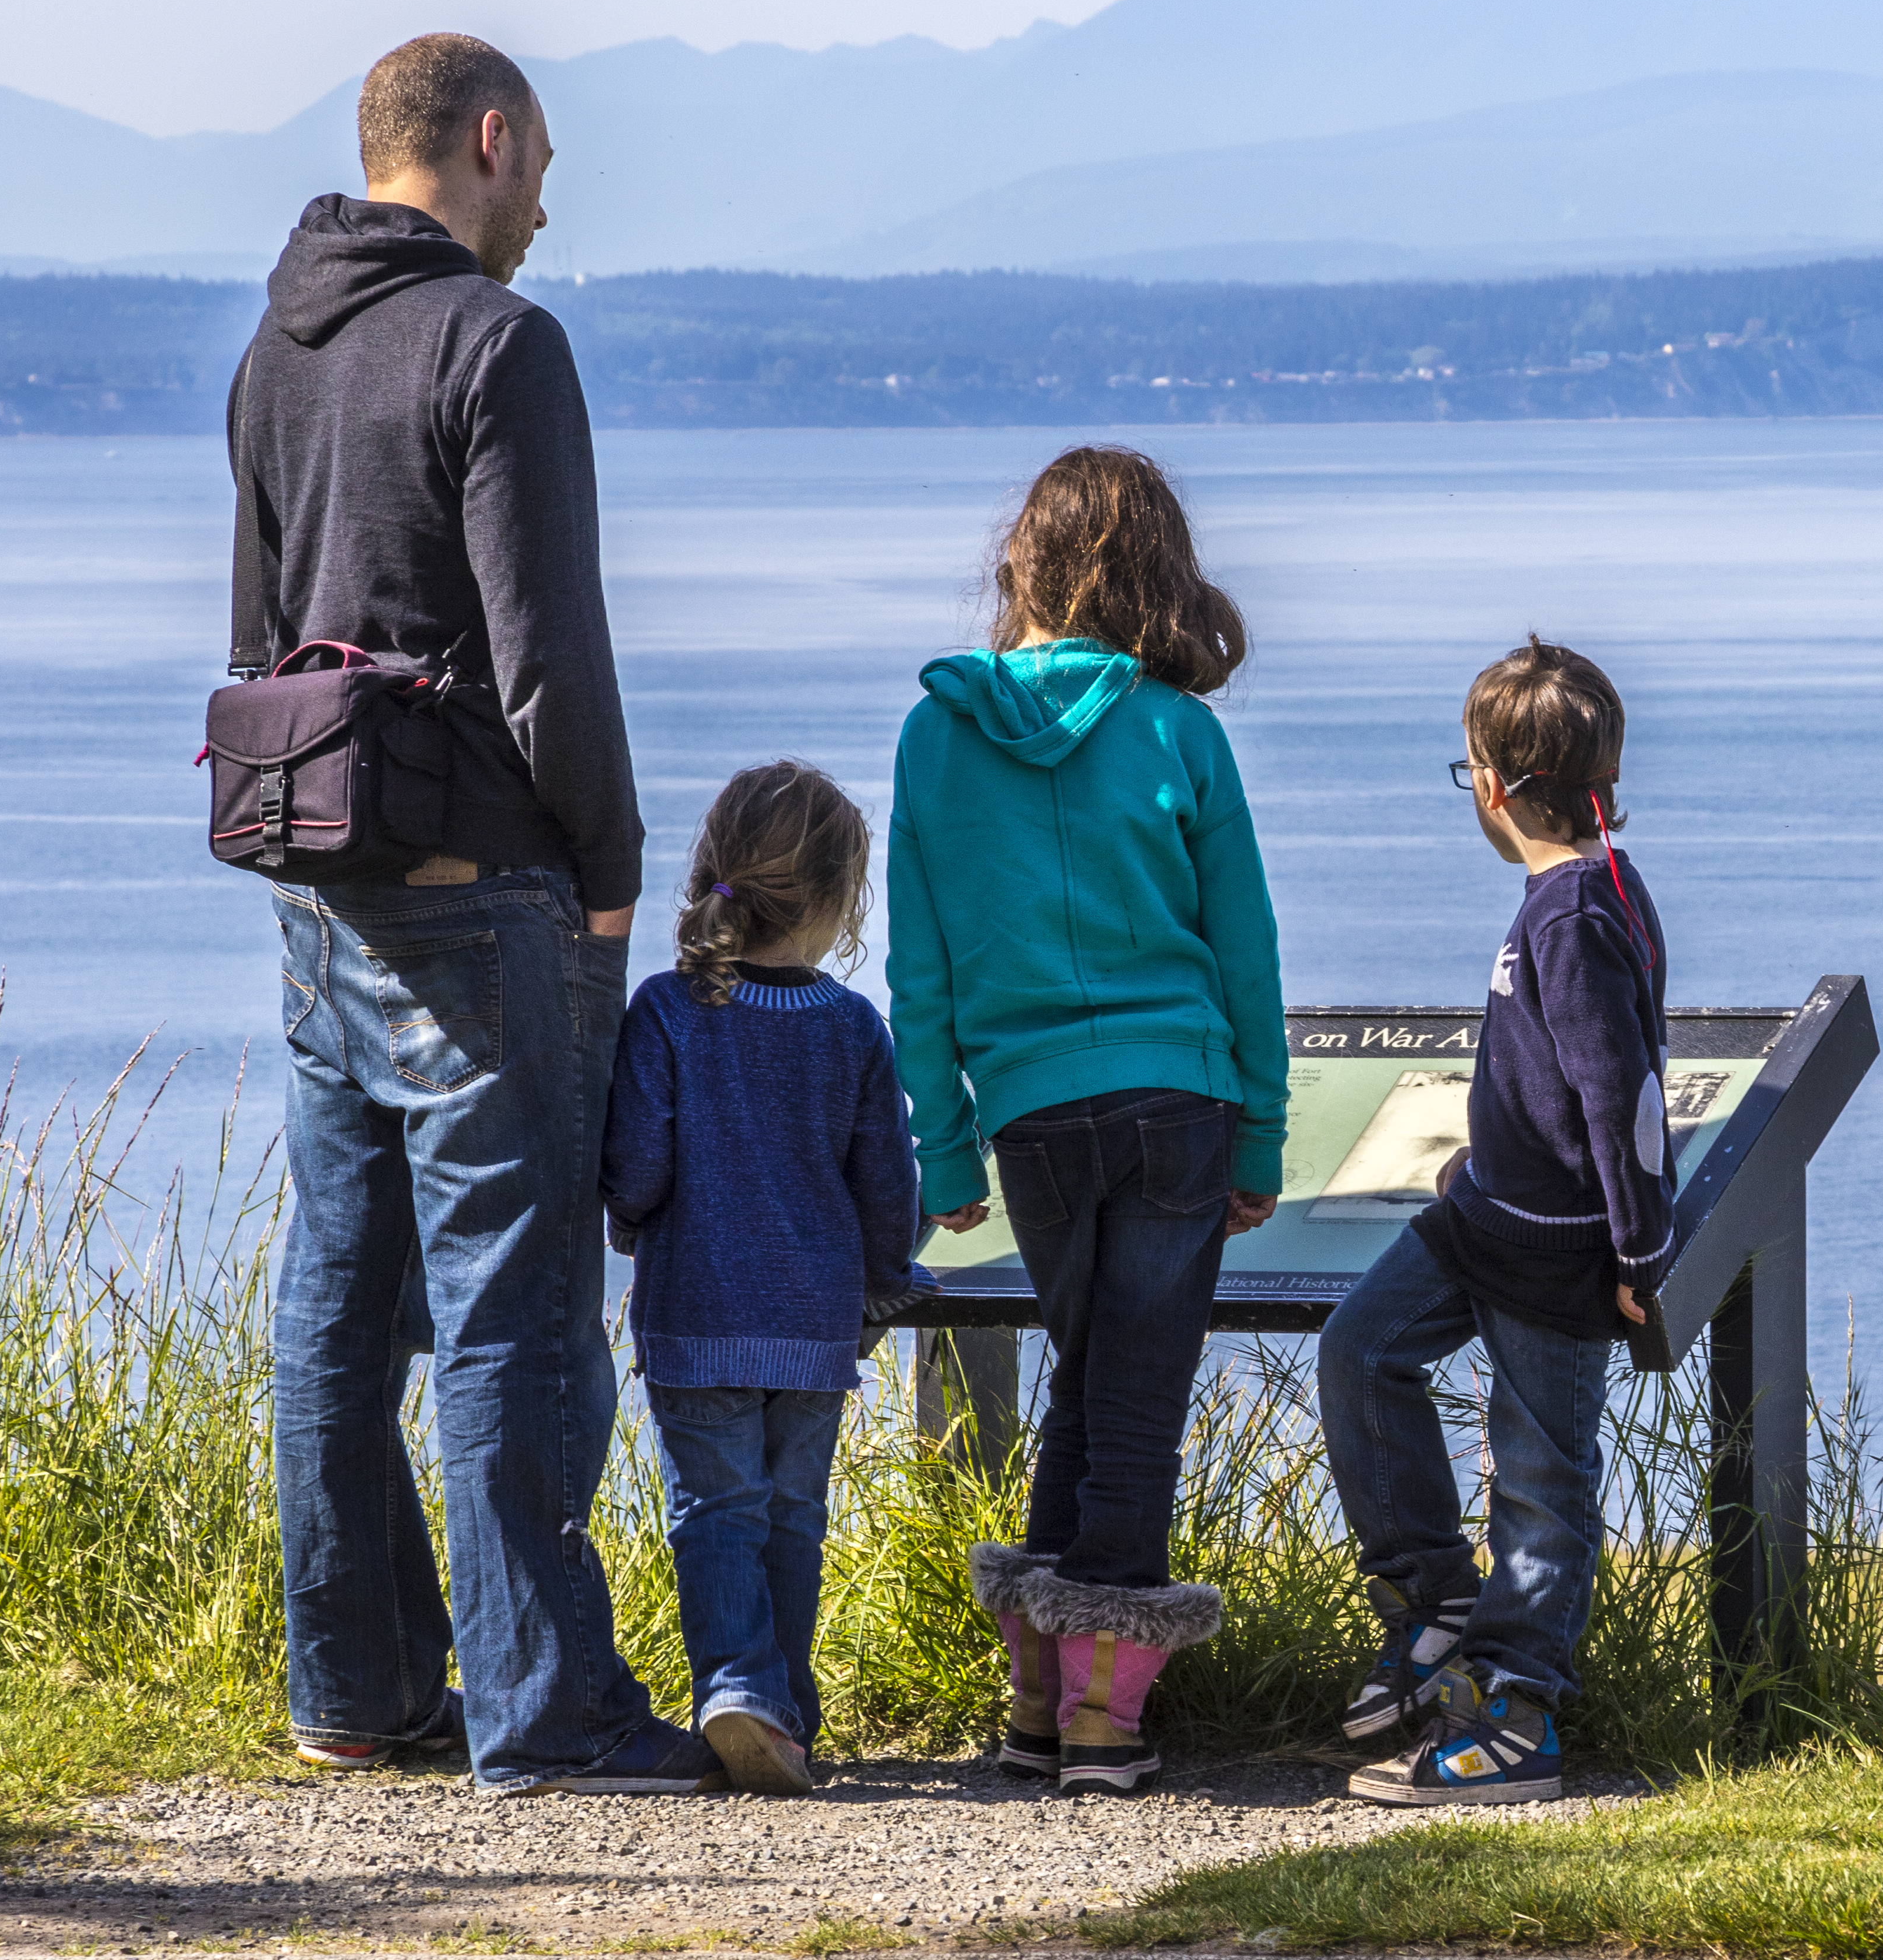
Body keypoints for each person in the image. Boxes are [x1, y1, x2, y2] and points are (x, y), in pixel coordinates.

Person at [235, 33, 719, 1792]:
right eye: (544, 164)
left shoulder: (274, 348)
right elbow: (550, 659)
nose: (546, 202)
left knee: (340, 1301)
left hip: (321, 885)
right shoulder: (501, 343)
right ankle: (549, 1710)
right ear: (492, 142)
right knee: (514, 1308)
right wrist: (607, 879)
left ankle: (355, 1689)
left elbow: (256, 640)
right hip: (487, 892)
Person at [887, 445, 1287, 1795]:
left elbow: (921, 970)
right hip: (1181, 1099)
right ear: (1153, 575)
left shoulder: (934, 735)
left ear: (1027, 567)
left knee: (1090, 1381)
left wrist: (943, 1146)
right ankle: (1105, 1721)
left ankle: (1038, 1696)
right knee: (1136, 1400)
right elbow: (1247, 954)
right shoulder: (1181, 730)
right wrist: (1265, 1135)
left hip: (1033, 1118)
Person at [1320, 637, 1678, 1807]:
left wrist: (1638, 1250)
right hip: (1484, 1217)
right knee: (1361, 1352)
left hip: (1560, 1255)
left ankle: (1519, 1717)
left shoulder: (1574, 913)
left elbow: (1618, 1094)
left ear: (1489, 787)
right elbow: (1547, 1082)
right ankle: (1438, 1601)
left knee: (1539, 1481)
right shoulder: (1582, 892)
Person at [601, 760, 938, 1796]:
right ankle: (786, 1708)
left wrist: (627, 1219)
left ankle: (740, 1688)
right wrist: (892, 1275)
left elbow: (640, 1176)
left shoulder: (665, 1012)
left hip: (699, 1315)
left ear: (711, 877)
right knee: (794, 1512)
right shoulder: (850, 1027)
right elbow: (888, 1186)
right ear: (844, 898)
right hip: (813, 1325)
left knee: (715, 1508)